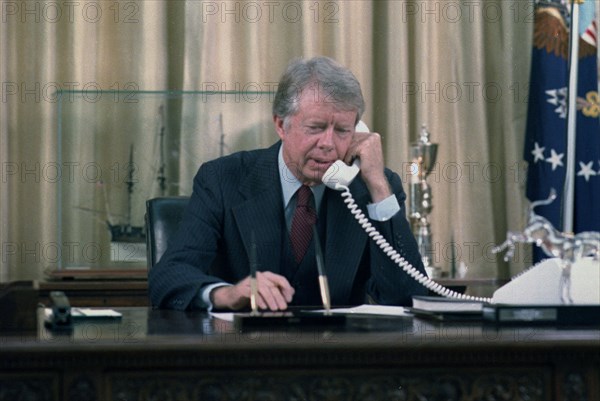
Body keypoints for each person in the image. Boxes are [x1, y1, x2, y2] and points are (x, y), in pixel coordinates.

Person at [148, 56, 427, 311]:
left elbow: (407, 296)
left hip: (339, 357)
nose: (328, 144)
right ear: (281, 125)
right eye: (315, 128)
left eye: (342, 130)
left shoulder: (372, 187)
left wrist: (377, 186)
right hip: (243, 354)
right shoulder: (222, 179)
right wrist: (227, 294)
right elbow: (169, 276)